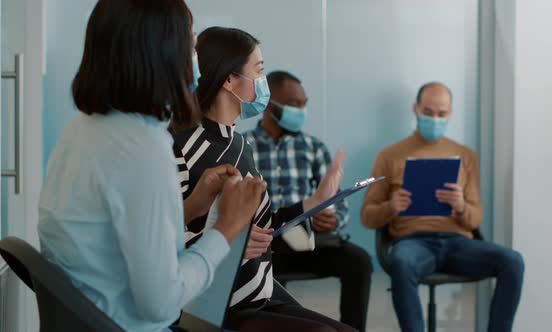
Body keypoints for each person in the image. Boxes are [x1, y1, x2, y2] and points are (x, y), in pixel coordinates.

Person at [37, 1, 265, 331]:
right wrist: (227, 228)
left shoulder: (82, 130)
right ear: (164, 52)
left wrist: (189, 208)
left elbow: (112, 234)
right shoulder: (142, 147)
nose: (196, 58)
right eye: (191, 41)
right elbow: (162, 302)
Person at [172, 27, 356, 332]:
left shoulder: (239, 144)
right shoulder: (180, 145)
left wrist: (316, 201)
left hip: (257, 294)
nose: (263, 83)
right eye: (258, 71)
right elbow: (164, 241)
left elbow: (264, 231)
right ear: (229, 80)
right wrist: (226, 242)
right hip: (214, 303)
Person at [361, 82, 525, 332]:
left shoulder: (465, 156)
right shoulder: (389, 155)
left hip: (457, 243)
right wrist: (390, 207)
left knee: (513, 260)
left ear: (450, 113)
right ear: (415, 109)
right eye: (428, 112)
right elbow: (367, 217)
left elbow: (475, 220)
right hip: (413, 243)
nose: (435, 119)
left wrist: (461, 206)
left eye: (441, 114)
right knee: (401, 260)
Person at [243, 70, 373, 332]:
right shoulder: (244, 146)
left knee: (359, 261)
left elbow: (337, 202)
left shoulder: (314, 147)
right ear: (270, 106)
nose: (301, 111)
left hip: (311, 243)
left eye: (304, 104)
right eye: (294, 105)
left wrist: (333, 218)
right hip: (267, 245)